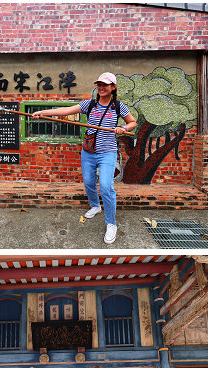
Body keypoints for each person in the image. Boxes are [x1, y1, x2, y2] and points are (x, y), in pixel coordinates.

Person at [32, 72, 137, 244]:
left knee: (106, 186)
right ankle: (95, 206)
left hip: (107, 152)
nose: (101, 87)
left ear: (113, 87)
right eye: (99, 84)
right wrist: (43, 112)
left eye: (105, 84)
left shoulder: (118, 106)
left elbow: (133, 122)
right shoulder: (90, 104)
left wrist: (123, 128)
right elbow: (66, 111)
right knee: (88, 182)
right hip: (88, 151)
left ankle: (111, 223)